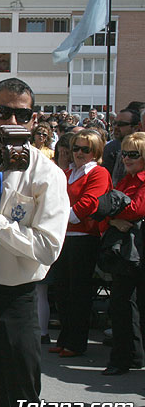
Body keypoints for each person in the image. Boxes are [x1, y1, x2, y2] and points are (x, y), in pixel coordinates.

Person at [0, 77, 69, 407]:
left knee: (20, 403)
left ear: (33, 119)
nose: (11, 122)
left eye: (21, 114)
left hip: (13, 301)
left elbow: (47, 248)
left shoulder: (47, 175)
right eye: (3, 112)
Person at [48, 130, 112, 358]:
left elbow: (89, 203)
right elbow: (53, 198)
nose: (79, 153)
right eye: (76, 148)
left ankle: (76, 342)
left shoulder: (99, 173)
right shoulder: (67, 173)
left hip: (85, 238)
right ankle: (65, 337)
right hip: (64, 237)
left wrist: (57, 217)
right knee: (63, 291)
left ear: (95, 152)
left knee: (79, 292)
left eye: (86, 149)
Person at [100, 132, 145, 375]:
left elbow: (136, 209)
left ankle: (129, 357)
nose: (126, 158)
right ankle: (126, 357)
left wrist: (114, 213)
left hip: (137, 250)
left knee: (129, 304)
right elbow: (106, 208)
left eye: (133, 154)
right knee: (121, 305)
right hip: (128, 254)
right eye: (124, 153)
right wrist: (114, 218)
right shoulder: (126, 180)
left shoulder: (138, 180)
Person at [105, 108, 140, 186]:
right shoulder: (110, 147)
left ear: (136, 127)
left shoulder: (141, 149)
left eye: (121, 124)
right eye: (114, 123)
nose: (116, 127)